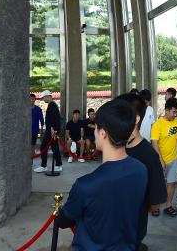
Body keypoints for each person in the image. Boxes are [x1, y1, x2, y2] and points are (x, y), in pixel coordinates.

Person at [56, 99, 147, 250]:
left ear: (103, 133)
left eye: (96, 128)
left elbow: (64, 221)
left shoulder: (85, 185)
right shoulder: (141, 170)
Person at [119, 93, 166, 251]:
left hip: (133, 229)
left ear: (136, 119)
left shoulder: (149, 156)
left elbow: (156, 202)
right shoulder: (118, 147)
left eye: (121, 114)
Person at [151, 97, 177, 217]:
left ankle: (168, 206)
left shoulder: (176, 122)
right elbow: (154, 144)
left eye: (176, 112)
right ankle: (155, 206)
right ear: (167, 110)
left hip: (173, 158)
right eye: (173, 112)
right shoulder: (157, 125)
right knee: (157, 184)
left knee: (172, 183)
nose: (175, 114)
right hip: (160, 160)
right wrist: (161, 160)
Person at [34, 90, 62, 173]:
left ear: (47, 96)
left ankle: (45, 166)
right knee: (54, 147)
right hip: (52, 130)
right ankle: (57, 165)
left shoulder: (52, 105)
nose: (43, 99)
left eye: (43, 98)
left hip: (51, 131)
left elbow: (54, 119)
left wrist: (53, 129)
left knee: (45, 147)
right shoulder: (52, 105)